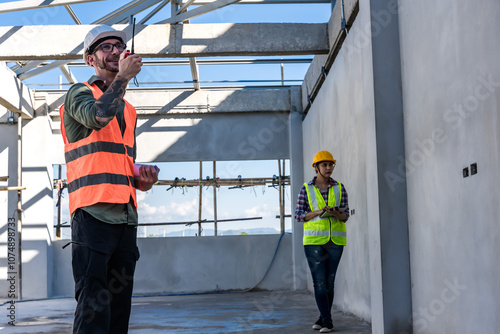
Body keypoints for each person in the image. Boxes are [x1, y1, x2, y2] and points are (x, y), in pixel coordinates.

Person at [59, 25, 159, 334]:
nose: (115, 51)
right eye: (106, 48)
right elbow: (98, 117)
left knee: (119, 308)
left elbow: (123, 160)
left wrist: (141, 180)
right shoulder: (80, 93)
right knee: (93, 305)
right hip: (92, 214)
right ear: (91, 60)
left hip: (125, 217)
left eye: (119, 45)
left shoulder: (128, 109)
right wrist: (124, 77)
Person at [294, 150, 349, 333]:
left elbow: (345, 216)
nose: (328, 168)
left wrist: (336, 213)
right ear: (316, 167)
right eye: (324, 165)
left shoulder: (340, 187)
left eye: (331, 164)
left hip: (335, 241)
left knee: (330, 282)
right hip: (314, 241)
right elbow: (299, 216)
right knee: (319, 282)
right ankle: (328, 321)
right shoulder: (306, 188)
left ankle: (322, 318)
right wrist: (318, 212)